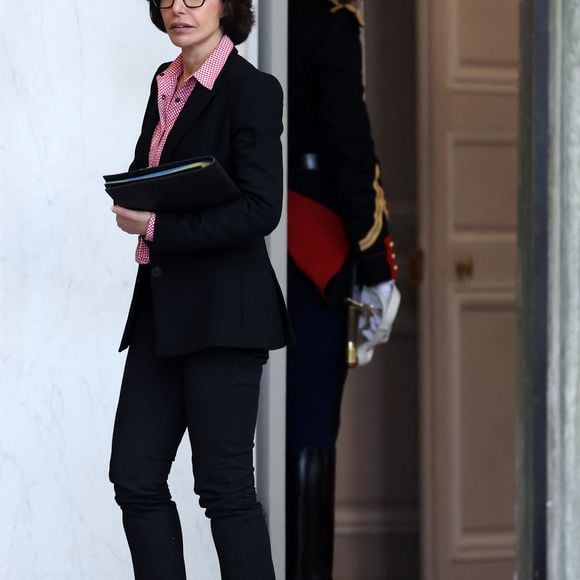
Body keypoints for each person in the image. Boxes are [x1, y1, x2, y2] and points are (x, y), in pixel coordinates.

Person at [107, 1, 290, 579]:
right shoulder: (164, 82)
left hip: (225, 315)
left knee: (225, 490)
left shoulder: (252, 89)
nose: (179, 7)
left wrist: (159, 225)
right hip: (162, 310)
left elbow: (261, 210)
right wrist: (137, 201)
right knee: (135, 476)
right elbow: (149, 177)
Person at [286, 0, 399, 578]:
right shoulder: (328, 19)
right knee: (309, 427)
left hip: (245, 243)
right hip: (311, 258)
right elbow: (349, 151)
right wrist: (378, 268)